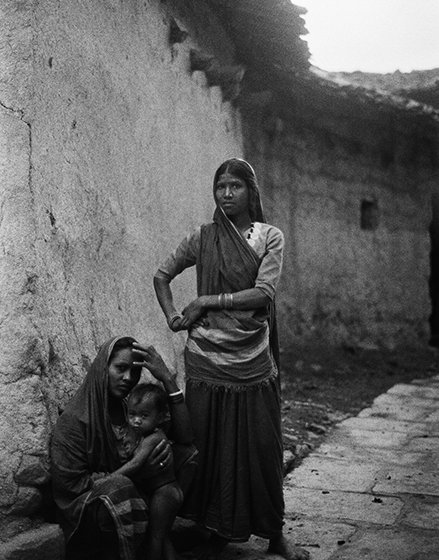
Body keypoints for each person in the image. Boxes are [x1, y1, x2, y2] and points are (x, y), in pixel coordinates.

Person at [154, 158, 310, 560]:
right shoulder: (203, 237)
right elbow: (161, 275)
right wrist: (172, 316)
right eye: (220, 186)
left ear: (250, 191)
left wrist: (206, 299)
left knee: (261, 444)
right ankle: (215, 528)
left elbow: (264, 293)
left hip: (253, 356)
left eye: (234, 186)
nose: (226, 193)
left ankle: (273, 533)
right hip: (205, 358)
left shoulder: (268, 236)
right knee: (208, 444)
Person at [51, 336, 197, 560]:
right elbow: (71, 487)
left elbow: (186, 438)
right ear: (102, 368)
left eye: (135, 371)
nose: (129, 378)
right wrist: (137, 470)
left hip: (133, 488)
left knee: (186, 456)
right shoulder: (75, 421)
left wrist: (167, 378)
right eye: (120, 368)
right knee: (119, 487)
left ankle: (157, 538)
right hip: (90, 508)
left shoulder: (131, 409)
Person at [124, 382, 193, 560]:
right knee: (162, 536)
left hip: (165, 492)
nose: (136, 420)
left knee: (155, 537)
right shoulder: (143, 436)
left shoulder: (154, 438)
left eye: (144, 415)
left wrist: (112, 477)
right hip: (168, 492)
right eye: (132, 414)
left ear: (160, 417)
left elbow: (135, 464)